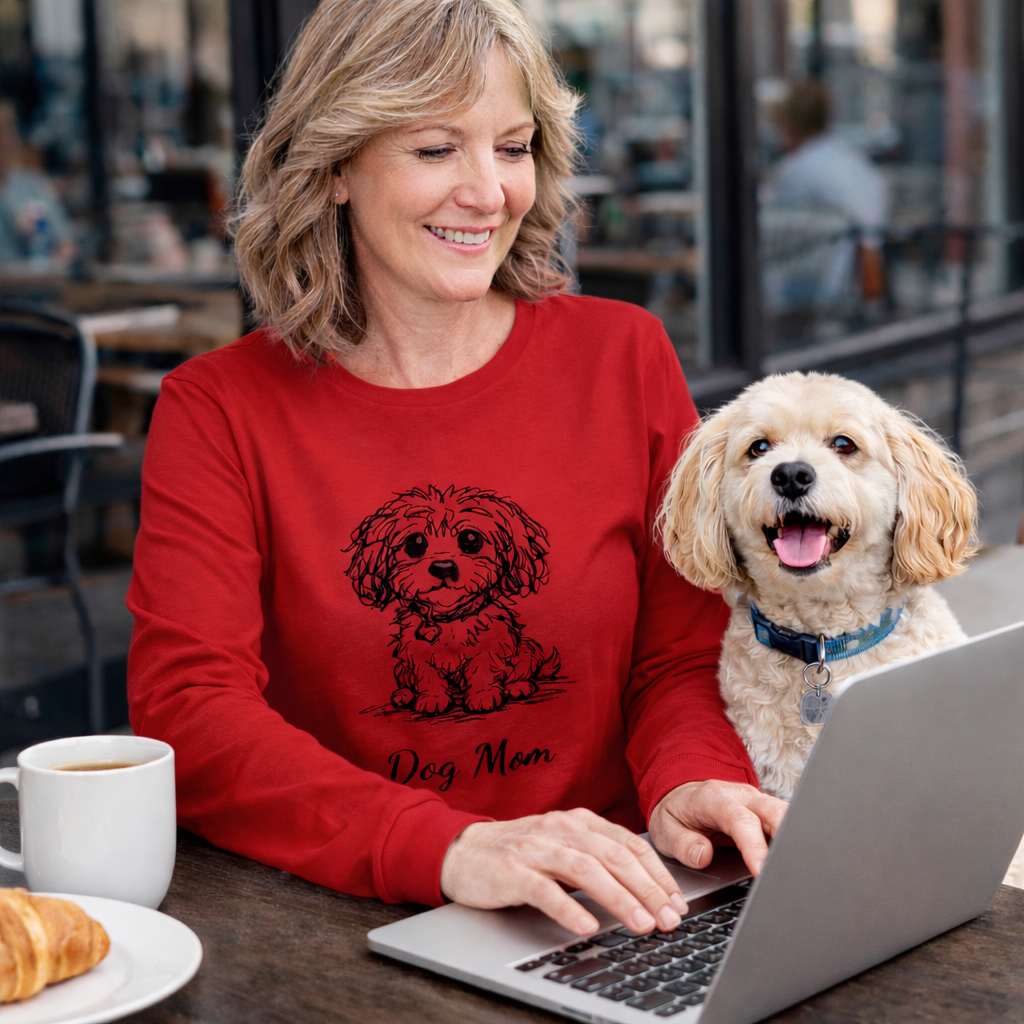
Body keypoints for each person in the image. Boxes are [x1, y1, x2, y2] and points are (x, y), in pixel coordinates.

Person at [127, 0, 786, 938]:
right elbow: (189, 715)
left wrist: (691, 778)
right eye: (437, 149)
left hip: (615, 905)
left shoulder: (625, 356)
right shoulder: (219, 409)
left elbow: (676, 655)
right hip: (343, 922)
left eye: (512, 147)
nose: (488, 192)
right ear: (337, 167)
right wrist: (444, 846)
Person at [762, 79, 888, 307]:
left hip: (810, 287)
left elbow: (766, 229)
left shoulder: (798, 169)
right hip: (851, 283)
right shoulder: (852, 161)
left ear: (788, 123)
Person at [0, 101, 76, 265]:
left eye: (5, 130)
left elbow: (67, 244)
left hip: (34, 283)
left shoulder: (33, 185)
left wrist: (50, 266)